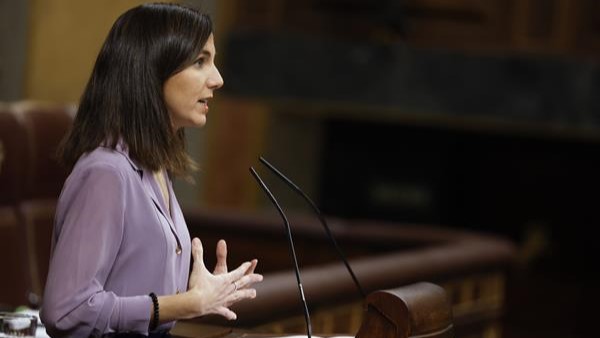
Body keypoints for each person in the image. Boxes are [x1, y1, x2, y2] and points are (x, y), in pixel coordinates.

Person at [40, 3, 263, 337]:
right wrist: (185, 303)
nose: (217, 79)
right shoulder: (107, 173)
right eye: (200, 61)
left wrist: (195, 292)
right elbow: (66, 310)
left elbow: (133, 294)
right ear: (152, 70)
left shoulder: (156, 169)